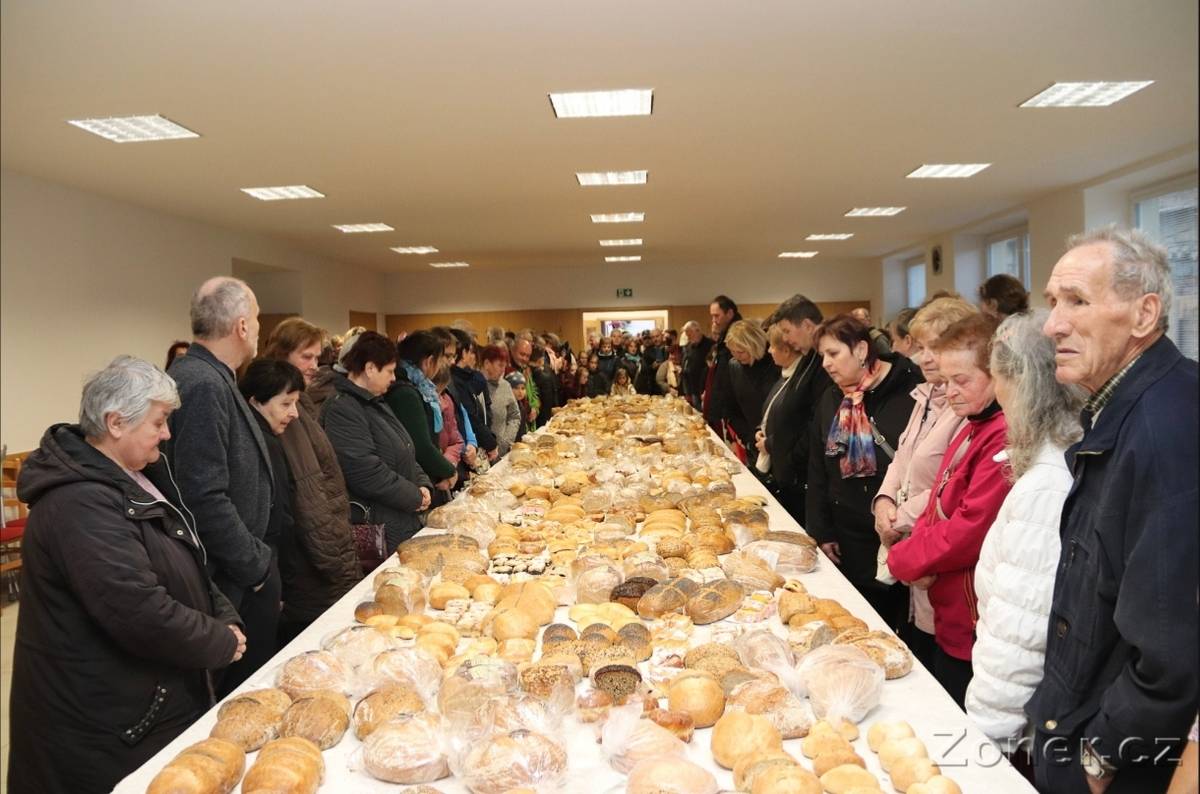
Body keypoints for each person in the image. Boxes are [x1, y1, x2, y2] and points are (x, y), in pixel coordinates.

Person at [9, 356, 244, 793]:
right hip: (104, 726)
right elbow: (138, 610)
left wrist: (222, 612)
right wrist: (218, 641)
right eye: (159, 422)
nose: (167, 434)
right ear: (116, 423)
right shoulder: (78, 504)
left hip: (139, 706)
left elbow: (185, 559)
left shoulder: (136, 476)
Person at [1027, 227, 1198, 794]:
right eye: (1053, 303)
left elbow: (1172, 645)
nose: (1053, 324)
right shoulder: (1125, 408)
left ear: (1144, 314)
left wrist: (1100, 759)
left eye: (1076, 301)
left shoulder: (1163, 431)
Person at [965, 309, 1083, 769]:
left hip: (1022, 724)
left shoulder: (1047, 483)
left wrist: (983, 737)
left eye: (996, 380)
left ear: (1020, 384)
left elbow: (1021, 631)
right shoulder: (1060, 452)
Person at [886, 313, 1011, 708]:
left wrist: (904, 558)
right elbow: (937, 501)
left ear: (998, 375)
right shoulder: (971, 422)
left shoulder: (1002, 434)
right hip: (947, 605)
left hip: (971, 614)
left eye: (962, 381)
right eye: (946, 381)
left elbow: (969, 528)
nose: (950, 392)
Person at [166, 276, 276, 695]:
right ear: (242, 326)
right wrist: (256, 567)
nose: (260, 329)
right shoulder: (203, 384)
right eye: (258, 319)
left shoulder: (215, 376)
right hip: (232, 575)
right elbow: (203, 494)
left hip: (241, 567)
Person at [871, 296, 977, 671]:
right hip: (907, 540)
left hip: (933, 548)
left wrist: (898, 518)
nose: (926, 358)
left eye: (937, 347)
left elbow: (948, 485)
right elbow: (902, 455)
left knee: (939, 659)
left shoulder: (967, 405)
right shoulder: (925, 396)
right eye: (921, 347)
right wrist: (883, 502)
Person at [807, 314, 921, 630]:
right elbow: (819, 468)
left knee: (901, 620)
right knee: (863, 621)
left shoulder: (909, 390)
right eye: (822, 357)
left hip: (897, 529)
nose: (826, 364)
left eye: (833, 354)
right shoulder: (832, 397)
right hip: (849, 531)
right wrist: (822, 529)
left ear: (860, 350)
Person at [260, 318, 360, 645]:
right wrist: (337, 563)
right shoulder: (283, 409)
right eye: (307, 357)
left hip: (323, 555)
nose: (315, 366)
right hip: (312, 563)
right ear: (282, 353)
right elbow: (307, 493)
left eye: (318, 357)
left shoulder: (300, 401)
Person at [320, 331, 432, 553]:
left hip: (400, 518)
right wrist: (414, 496)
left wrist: (423, 484)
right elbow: (365, 471)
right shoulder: (343, 408)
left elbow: (405, 450)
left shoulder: (374, 401)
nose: (393, 378)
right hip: (378, 528)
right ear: (370, 369)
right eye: (389, 371)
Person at [237, 360, 304, 649]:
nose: (295, 413)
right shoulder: (262, 443)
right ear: (256, 401)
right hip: (262, 570)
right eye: (286, 403)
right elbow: (280, 517)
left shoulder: (259, 436)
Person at [761, 294, 835, 526]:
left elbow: (815, 422)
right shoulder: (808, 357)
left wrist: (790, 456)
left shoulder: (822, 363)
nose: (785, 339)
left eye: (786, 330)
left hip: (805, 473)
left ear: (807, 325)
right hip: (793, 471)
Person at [754, 323, 819, 522]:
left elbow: (799, 426)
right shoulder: (785, 375)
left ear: (785, 350)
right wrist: (760, 430)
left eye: (772, 347)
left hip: (793, 471)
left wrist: (770, 443)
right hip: (778, 459)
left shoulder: (801, 379)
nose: (769, 351)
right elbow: (772, 412)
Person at [385, 330, 457, 503]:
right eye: (440, 360)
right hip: (416, 481)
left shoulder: (416, 387)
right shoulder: (406, 394)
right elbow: (421, 446)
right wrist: (448, 470)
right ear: (428, 361)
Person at [725, 319, 781, 465]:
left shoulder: (776, 363)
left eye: (741, 352)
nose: (737, 356)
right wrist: (747, 438)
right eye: (733, 352)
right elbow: (732, 407)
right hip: (750, 439)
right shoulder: (734, 366)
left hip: (776, 439)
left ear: (754, 345)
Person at [449, 328, 499, 464]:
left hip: (475, 443)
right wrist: (490, 442)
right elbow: (470, 417)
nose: (474, 356)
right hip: (465, 452)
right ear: (463, 353)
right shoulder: (456, 381)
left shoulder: (469, 378)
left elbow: (483, 411)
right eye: (471, 352)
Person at [705, 295, 742, 433]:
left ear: (730, 313)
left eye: (717, 316)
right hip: (722, 405)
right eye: (712, 316)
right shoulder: (724, 335)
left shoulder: (736, 335)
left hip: (731, 410)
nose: (714, 321)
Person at [481, 345, 523, 454]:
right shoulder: (476, 386)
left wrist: (505, 442)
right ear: (487, 364)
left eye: (504, 366)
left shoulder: (505, 386)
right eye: (500, 365)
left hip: (501, 451)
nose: (503, 370)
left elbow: (514, 415)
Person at [433, 365, 465, 476]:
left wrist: (448, 463)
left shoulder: (448, 401)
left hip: (447, 470)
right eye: (435, 391)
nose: (438, 396)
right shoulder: (421, 404)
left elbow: (456, 441)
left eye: (442, 391)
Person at [680, 320, 714, 410]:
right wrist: (687, 391)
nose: (688, 337)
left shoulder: (711, 345)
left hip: (704, 389)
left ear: (698, 330)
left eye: (689, 334)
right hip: (692, 389)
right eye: (687, 334)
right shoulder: (689, 346)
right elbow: (685, 365)